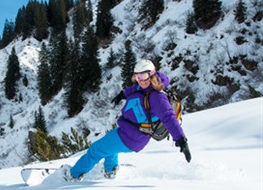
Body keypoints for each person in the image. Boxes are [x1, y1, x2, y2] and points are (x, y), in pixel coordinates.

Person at [62, 59, 191, 181]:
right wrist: (123, 94)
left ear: (152, 74)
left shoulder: (156, 96)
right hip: (129, 131)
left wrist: (181, 139)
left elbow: (168, 117)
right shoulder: (145, 86)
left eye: (144, 76)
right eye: (137, 76)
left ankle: (73, 175)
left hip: (131, 136)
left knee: (96, 149)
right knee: (109, 146)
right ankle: (110, 171)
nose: (141, 80)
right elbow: (136, 89)